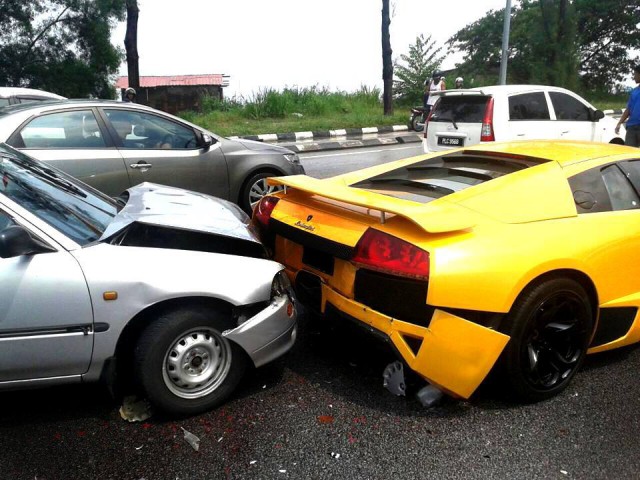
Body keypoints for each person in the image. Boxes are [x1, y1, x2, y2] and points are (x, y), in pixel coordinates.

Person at [616, 65, 640, 147]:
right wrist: (619, 123)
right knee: (629, 152)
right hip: (632, 127)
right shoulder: (634, 91)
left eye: (635, 74)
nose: (634, 77)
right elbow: (628, 109)